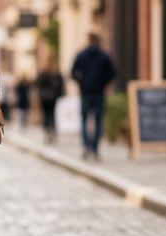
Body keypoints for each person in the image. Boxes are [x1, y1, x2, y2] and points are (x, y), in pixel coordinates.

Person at [71, 32, 116, 160]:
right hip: (98, 92)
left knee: (84, 120)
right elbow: (112, 73)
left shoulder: (81, 55)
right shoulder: (104, 56)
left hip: (85, 92)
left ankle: (86, 146)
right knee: (98, 121)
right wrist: (103, 83)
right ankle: (95, 147)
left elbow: (73, 73)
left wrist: (81, 82)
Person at [37, 56, 64, 144]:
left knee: (46, 115)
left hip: (44, 97)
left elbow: (38, 84)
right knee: (52, 114)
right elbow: (61, 85)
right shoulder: (56, 73)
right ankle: (52, 130)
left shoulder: (44, 72)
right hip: (53, 97)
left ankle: (47, 131)